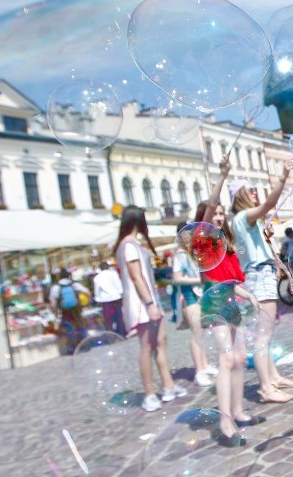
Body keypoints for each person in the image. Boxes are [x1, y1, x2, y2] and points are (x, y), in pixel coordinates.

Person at [194, 154, 264, 447]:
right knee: (226, 360)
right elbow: (210, 207)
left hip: (232, 302)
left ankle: (237, 411)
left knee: (238, 359)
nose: (219, 217)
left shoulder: (228, 245)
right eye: (216, 214)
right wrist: (222, 176)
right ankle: (224, 422)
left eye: (223, 214)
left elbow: (235, 280)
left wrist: (247, 294)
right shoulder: (204, 240)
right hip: (215, 303)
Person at [232, 157, 293, 403]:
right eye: (250, 190)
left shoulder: (248, 221)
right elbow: (270, 203)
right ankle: (265, 388)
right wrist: (283, 177)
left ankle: (273, 377)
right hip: (259, 275)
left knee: (267, 333)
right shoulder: (243, 216)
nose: (254, 193)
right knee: (262, 335)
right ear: (240, 195)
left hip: (263, 273)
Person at [113, 205, 187, 412]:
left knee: (161, 342)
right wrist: (148, 304)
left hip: (150, 300)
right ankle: (149, 393)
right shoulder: (128, 246)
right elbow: (136, 277)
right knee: (147, 347)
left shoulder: (133, 244)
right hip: (140, 303)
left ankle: (169, 385)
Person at [172, 221, 215, 389]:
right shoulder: (181, 254)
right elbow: (177, 278)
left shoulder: (191, 254)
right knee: (196, 334)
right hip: (190, 297)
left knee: (201, 333)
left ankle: (205, 366)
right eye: (189, 233)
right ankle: (199, 370)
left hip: (199, 296)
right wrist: (200, 280)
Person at [48, 267, 92, 355]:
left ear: (58, 277)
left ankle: (73, 348)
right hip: (76, 309)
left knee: (69, 328)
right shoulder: (74, 284)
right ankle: (84, 345)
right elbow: (87, 292)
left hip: (65, 311)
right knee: (80, 326)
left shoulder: (56, 287)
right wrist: (88, 303)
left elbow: (53, 303)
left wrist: (55, 313)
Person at [93, 261, 126, 337]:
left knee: (108, 318)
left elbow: (97, 291)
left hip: (105, 300)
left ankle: (111, 335)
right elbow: (119, 285)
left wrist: (97, 299)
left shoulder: (97, 278)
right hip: (116, 297)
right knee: (119, 316)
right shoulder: (113, 274)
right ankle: (122, 333)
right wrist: (120, 293)